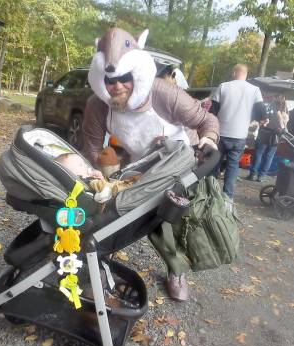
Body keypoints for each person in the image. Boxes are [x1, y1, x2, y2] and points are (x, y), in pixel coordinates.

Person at [82, 27, 219, 302]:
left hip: (181, 161)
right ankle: (99, 255)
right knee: (139, 215)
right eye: (110, 81)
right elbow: (92, 147)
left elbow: (207, 121)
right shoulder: (97, 106)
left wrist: (209, 140)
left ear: (136, 73)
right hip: (143, 165)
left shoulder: (163, 93)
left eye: (124, 78)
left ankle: (176, 269)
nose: (117, 86)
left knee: (170, 220)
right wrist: (94, 168)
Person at [210, 64, 267, 200]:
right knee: (233, 166)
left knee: (214, 164)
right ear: (246, 74)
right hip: (239, 135)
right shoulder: (254, 90)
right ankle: (227, 198)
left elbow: (212, 111)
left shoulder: (223, 86)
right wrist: (259, 119)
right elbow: (262, 112)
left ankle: (210, 193)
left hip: (220, 133)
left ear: (234, 72)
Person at [247, 94, 289, 182]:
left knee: (258, 154)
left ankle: (253, 174)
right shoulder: (285, 111)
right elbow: (285, 125)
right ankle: (262, 176)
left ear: (275, 98)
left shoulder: (268, 107)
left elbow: (261, 119)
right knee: (269, 156)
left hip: (264, 133)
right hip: (276, 135)